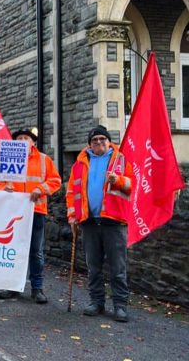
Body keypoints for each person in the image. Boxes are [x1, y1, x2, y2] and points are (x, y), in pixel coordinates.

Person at [66, 125, 133, 322]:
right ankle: (96, 302)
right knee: (93, 266)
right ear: (90, 144)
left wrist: (119, 180)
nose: (99, 142)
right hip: (89, 221)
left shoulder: (121, 160)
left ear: (109, 141)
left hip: (114, 221)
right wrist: (72, 217)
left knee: (117, 267)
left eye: (103, 139)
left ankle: (120, 306)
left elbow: (133, 185)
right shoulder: (79, 164)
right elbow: (71, 193)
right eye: (95, 140)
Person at [0, 127, 61, 304]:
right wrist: (3, 188)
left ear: (33, 142)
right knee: (13, 251)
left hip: (35, 212)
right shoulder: (5, 159)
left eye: (26, 138)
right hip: (12, 214)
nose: (23, 141)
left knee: (35, 252)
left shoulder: (44, 160)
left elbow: (55, 181)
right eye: (19, 138)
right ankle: (13, 286)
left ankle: (37, 289)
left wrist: (40, 189)